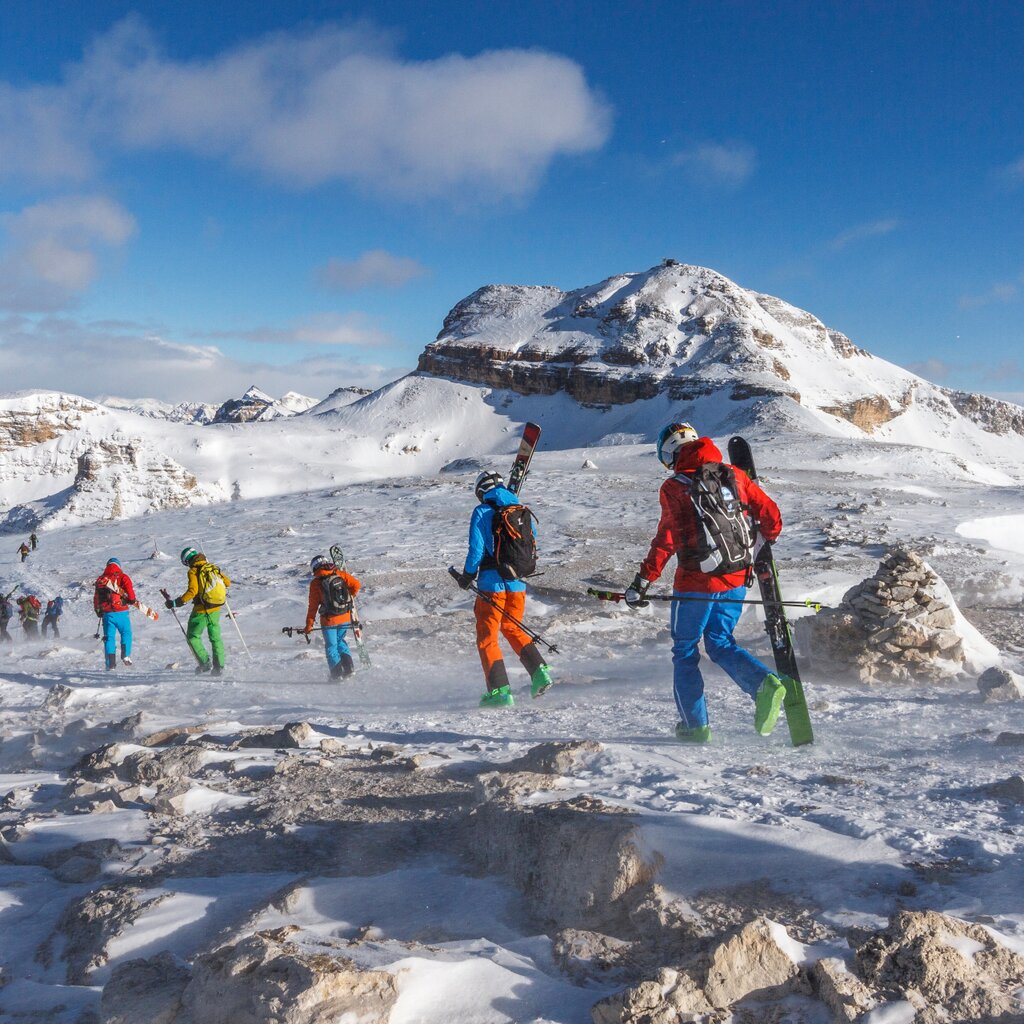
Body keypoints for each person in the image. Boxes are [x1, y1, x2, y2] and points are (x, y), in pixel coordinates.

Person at [624, 422, 786, 743]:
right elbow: (770, 513)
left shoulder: (674, 487)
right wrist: (766, 540)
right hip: (737, 576)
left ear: (670, 453)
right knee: (720, 642)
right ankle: (764, 684)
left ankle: (695, 726)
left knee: (685, 650)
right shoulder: (735, 474)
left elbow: (666, 540)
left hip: (695, 584)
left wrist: (643, 580)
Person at [454, 470, 552, 708]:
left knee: (487, 637)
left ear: (481, 491)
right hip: (517, 584)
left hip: (491, 585)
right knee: (512, 627)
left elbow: (476, 550)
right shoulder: (521, 511)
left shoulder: (482, 511)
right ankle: (540, 673)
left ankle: (499, 692)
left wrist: (467, 576)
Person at [166, 547, 231, 675]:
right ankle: (219, 667)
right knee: (215, 638)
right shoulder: (212, 567)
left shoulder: (193, 571)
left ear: (187, 561)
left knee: (192, 636)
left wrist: (176, 602)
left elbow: (193, 591)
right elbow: (227, 582)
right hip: (215, 608)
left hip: (201, 610)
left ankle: (205, 663)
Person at [303, 555, 361, 679]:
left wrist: (309, 625)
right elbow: (356, 585)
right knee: (341, 642)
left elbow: (313, 607)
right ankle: (349, 669)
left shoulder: (316, 583)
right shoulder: (340, 574)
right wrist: (348, 598)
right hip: (345, 616)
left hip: (329, 620)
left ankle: (336, 675)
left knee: (331, 647)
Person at [94, 559, 135, 669]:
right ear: (119, 566)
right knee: (126, 633)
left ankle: (110, 664)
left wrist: (98, 611)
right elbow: (131, 595)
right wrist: (131, 600)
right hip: (121, 612)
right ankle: (125, 655)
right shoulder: (123, 577)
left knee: (109, 638)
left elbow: (96, 598)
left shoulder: (100, 579)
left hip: (107, 614)